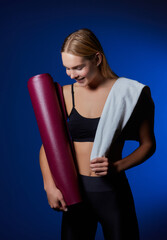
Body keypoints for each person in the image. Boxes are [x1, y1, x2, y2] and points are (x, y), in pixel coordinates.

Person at [39, 28, 156, 240]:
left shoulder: (131, 93)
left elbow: (148, 144)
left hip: (112, 191)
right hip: (74, 192)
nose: (72, 75)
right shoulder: (66, 94)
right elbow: (49, 144)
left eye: (78, 67)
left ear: (97, 58)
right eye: (67, 68)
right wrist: (49, 186)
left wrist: (117, 166)